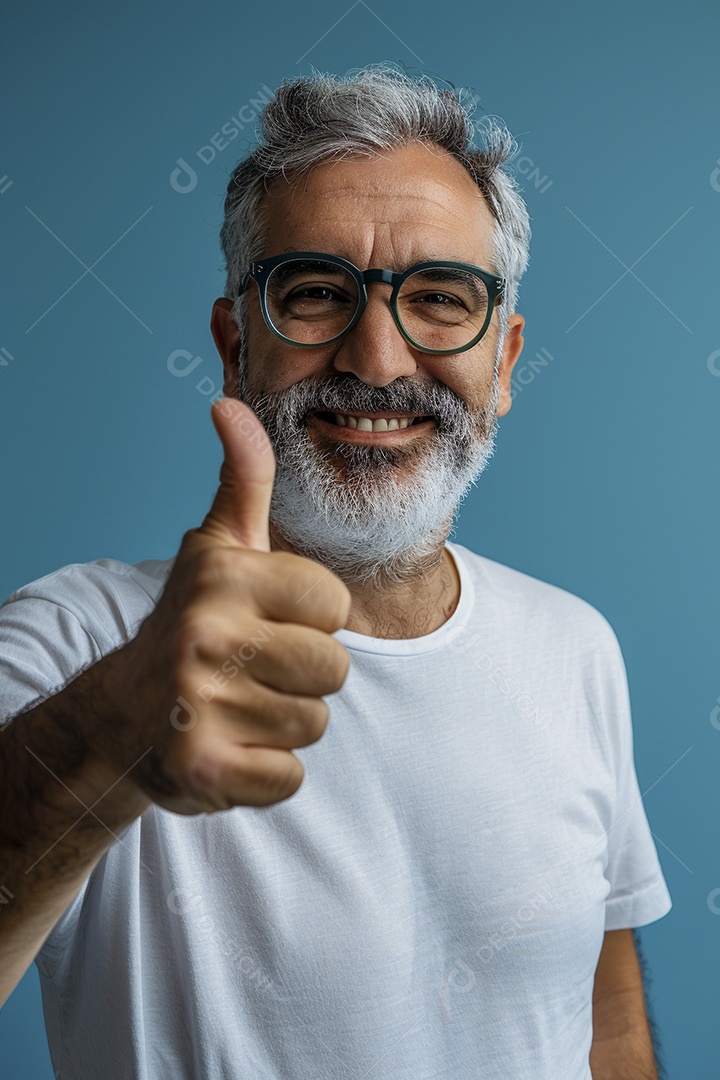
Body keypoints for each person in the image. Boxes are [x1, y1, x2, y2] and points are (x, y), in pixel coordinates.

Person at [0, 66, 671, 1079]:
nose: (380, 358)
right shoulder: (81, 640)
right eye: (315, 293)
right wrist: (109, 738)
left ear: (504, 363)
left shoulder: (576, 647)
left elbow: (603, 1011)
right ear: (235, 347)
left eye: (441, 299)